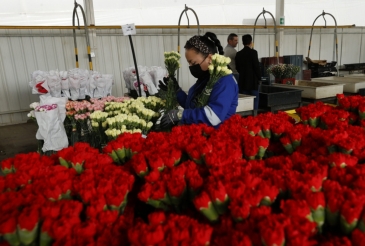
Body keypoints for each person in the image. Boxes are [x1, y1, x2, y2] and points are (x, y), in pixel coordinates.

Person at [159, 32, 239, 129]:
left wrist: (180, 115)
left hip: (215, 139)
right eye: (189, 63)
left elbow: (213, 116)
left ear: (209, 58)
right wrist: (177, 90)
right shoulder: (205, 78)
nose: (191, 67)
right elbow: (193, 107)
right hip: (199, 136)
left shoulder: (225, 81)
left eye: (193, 63)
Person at [235, 34, 261, 111]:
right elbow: (256, 67)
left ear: (242, 43)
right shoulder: (253, 52)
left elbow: (237, 67)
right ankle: (254, 117)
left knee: (245, 101)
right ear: (251, 42)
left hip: (242, 81)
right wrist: (259, 78)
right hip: (253, 81)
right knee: (255, 100)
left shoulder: (238, 54)